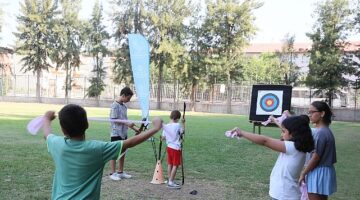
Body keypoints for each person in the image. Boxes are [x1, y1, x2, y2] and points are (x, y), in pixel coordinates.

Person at [43, 104, 163, 200]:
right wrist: (156, 128)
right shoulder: (97, 149)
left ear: (63, 130)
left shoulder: (57, 144)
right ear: (87, 124)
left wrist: (47, 118)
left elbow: (47, 134)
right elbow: (130, 143)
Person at [231, 115, 314, 200]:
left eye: (284, 131)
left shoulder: (292, 147)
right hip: (286, 194)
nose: (281, 134)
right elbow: (270, 141)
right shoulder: (298, 146)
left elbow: (265, 141)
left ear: (293, 134)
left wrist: (242, 133)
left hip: (284, 195)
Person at [299, 101, 337, 200]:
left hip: (318, 172)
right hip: (322, 171)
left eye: (312, 112)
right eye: (309, 112)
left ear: (322, 114)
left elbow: (316, 157)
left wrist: (303, 173)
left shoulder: (321, 133)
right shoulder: (325, 130)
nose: (309, 115)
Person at [109, 86, 139, 181]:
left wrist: (135, 129)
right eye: (128, 98)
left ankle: (120, 172)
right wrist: (127, 123)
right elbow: (114, 119)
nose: (129, 100)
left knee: (123, 152)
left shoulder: (124, 106)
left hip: (123, 133)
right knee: (114, 153)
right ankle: (113, 173)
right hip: (116, 133)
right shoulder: (115, 105)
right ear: (123, 95)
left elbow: (125, 120)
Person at [161, 110, 185, 189]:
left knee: (170, 164)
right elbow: (183, 132)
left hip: (169, 147)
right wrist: (183, 123)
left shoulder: (166, 126)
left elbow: (163, 138)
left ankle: (170, 180)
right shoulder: (178, 125)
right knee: (175, 165)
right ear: (177, 118)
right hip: (175, 148)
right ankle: (171, 182)